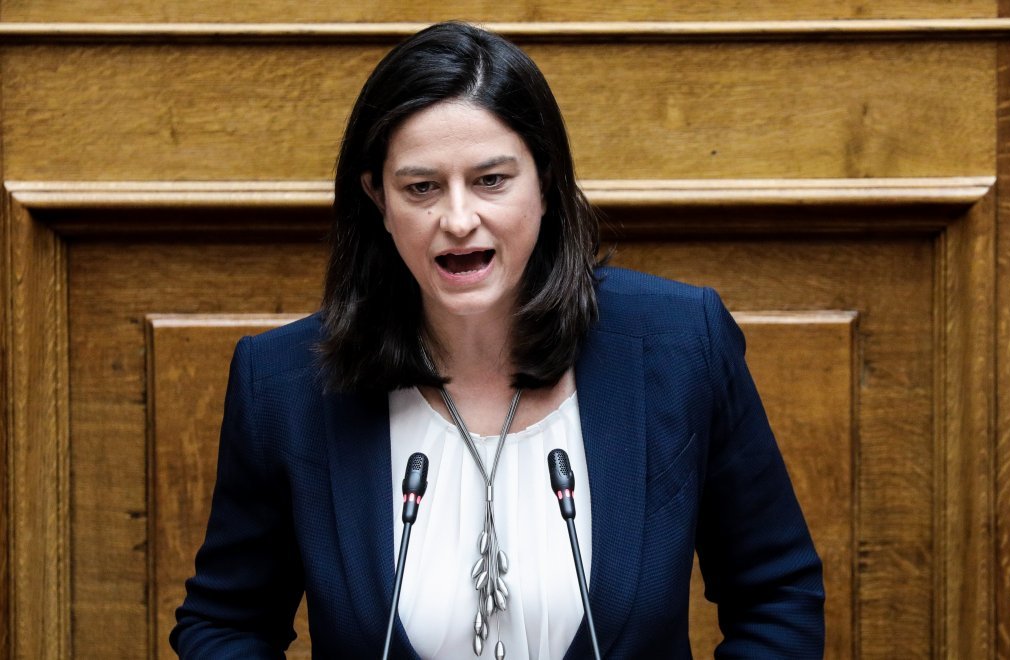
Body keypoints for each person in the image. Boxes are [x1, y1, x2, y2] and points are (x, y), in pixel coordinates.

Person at [171, 21, 823, 659]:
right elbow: (225, 625)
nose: (458, 220)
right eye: (421, 188)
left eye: (491, 180)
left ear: (546, 182)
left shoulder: (679, 345)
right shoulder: (283, 384)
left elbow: (777, 595)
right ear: (378, 199)